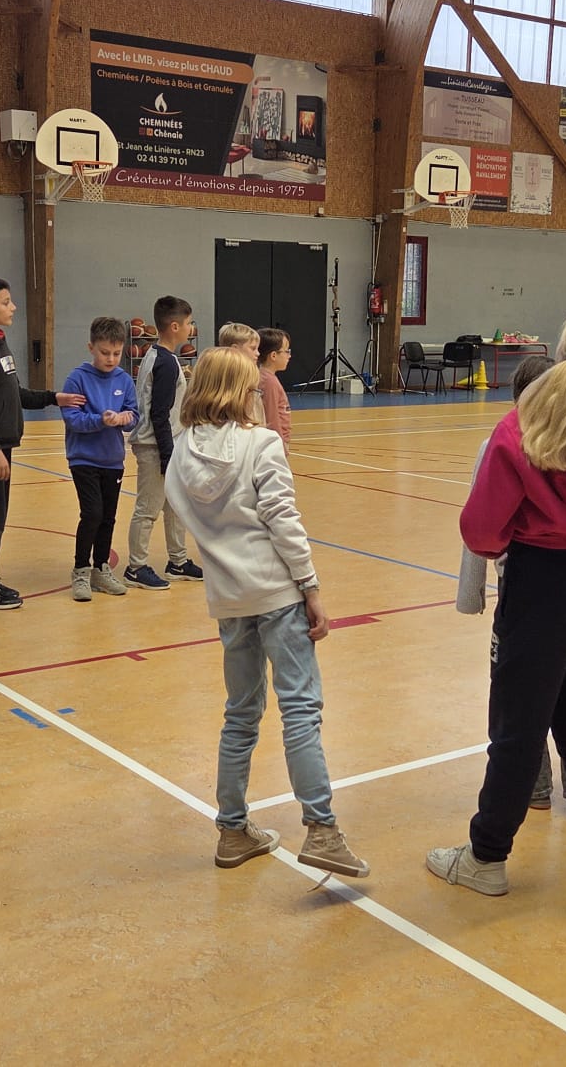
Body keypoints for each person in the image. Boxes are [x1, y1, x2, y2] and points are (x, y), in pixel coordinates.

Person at [429, 301, 566, 905]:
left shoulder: (519, 430)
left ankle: (485, 859)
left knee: (518, 733)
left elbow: (481, 531)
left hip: (541, 589)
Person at [165, 347, 368, 878]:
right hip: (276, 592)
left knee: (240, 712)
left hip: (229, 599)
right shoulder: (262, 444)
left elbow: (188, 516)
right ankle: (321, 830)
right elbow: (283, 519)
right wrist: (311, 586)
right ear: (238, 391)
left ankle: (232, 830)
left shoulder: (181, 450)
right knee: (300, 709)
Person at [457, 355, 566, 810]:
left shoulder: (509, 443)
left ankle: (537, 787)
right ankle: (558, 787)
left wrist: (472, 594)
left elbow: (477, 526)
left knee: (519, 691)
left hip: (526, 584)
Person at [0, 276, 85, 611]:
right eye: (6, 302)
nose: (13, 307)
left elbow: (14, 393)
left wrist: (53, 397)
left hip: (3, 446)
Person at [123, 297, 201, 591]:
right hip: (155, 447)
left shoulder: (159, 356)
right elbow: (159, 414)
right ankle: (135, 567)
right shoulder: (165, 363)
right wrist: (168, 456)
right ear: (175, 326)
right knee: (148, 508)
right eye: (189, 323)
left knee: (176, 506)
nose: (191, 328)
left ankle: (177, 561)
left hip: (168, 444)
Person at [61, 317, 139, 603]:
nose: (111, 359)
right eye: (105, 352)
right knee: (92, 513)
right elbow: (72, 418)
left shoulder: (124, 380)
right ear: (91, 347)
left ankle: (101, 569)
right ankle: (81, 570)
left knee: (108, 517)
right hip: (83, 459)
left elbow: (134, 415)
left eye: (116, 353)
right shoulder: (77, 379)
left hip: (112, 460)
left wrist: (126, 419)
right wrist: (100, 420)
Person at [257, 327, 292, 450]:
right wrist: (278, 446)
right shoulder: (269, 382)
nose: (289, 356)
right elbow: (271, 418)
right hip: (275, 444)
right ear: (273, 355)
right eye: (286, 351)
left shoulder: (267, 377)